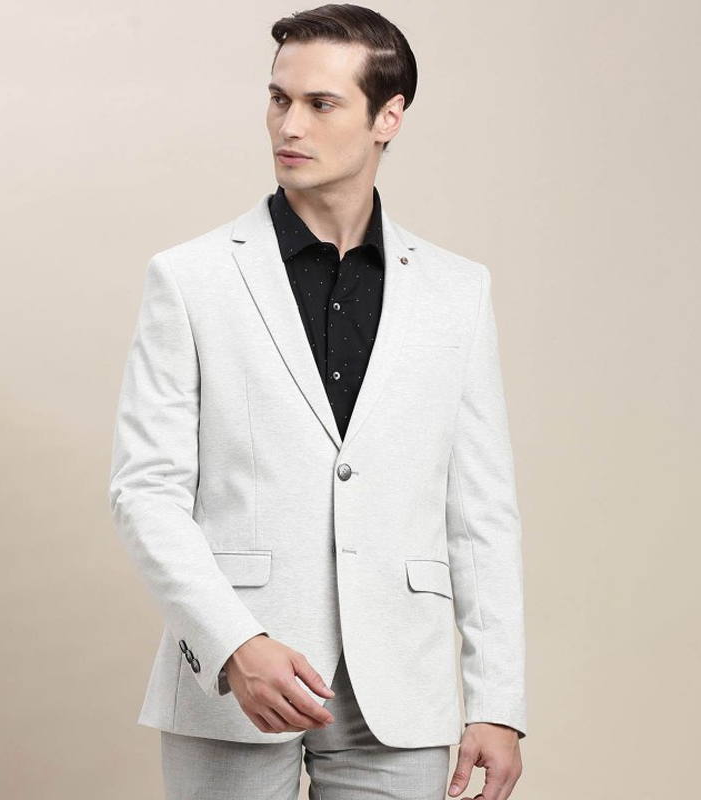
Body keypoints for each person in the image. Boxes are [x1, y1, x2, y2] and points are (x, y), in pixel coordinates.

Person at [108, 4, 527, 799]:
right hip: (235, 684)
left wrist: (497, 702)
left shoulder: (457, 293)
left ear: (388, 117)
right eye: (279, 99)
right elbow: (145, 492)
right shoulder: (191, 279)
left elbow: (481, 512)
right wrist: (235, 643)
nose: (288, 125)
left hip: (397, 687)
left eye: (320, 103)